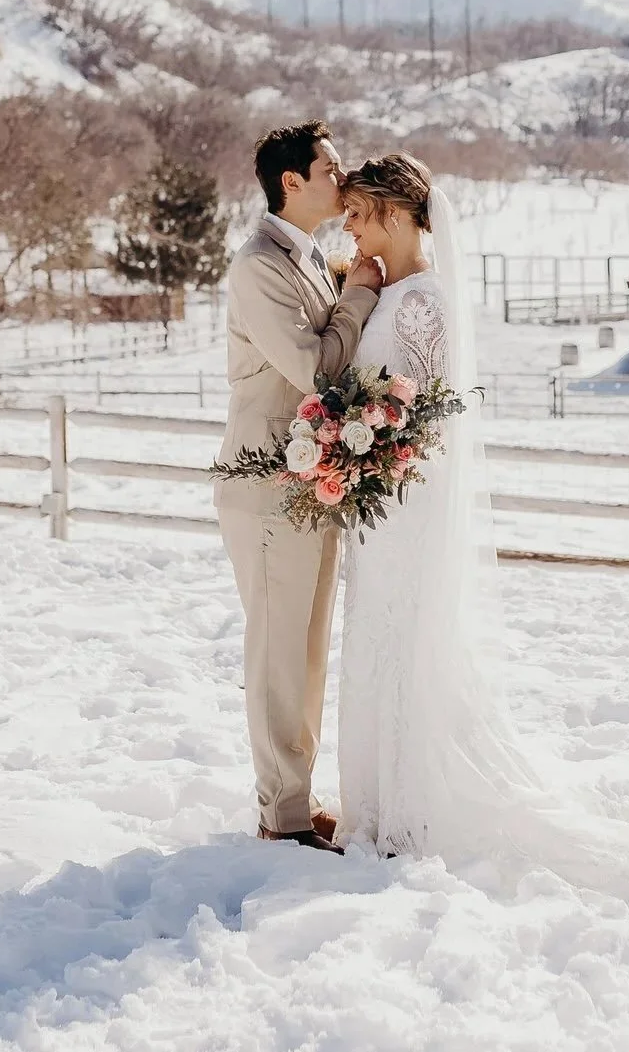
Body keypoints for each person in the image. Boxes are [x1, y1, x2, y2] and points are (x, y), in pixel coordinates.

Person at [334, 154, 611, 864]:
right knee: (374, 640)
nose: (351, 230)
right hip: (378, 504)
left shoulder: (424, 301)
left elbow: (430, 416)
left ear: (397, 214)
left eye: (360, 215)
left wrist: (372, 448)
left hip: (406, 502)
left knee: (402, 639)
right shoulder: (385, 291)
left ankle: (408, 810)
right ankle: (374, 798)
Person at [215, 121, 382, 850]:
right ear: (293, 181)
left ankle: (292, 800)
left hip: (307, 480)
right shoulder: (259, 265)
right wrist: (361, 295)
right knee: (277, 649)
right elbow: (315, 368)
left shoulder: (311, 259)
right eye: (330, 168)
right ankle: (279, 816)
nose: (341, 180)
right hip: (264, 484)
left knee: (308, 647)